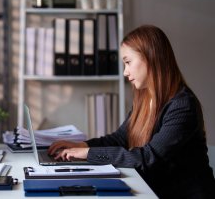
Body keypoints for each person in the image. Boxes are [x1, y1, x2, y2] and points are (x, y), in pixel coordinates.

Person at [48, 25, 215, 198]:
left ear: (151, 57)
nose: (125, 72)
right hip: (154, 191)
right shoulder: (145, 99)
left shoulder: (182, 106)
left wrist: (88, 154)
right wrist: (83, 145)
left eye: (128, 62)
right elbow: (120, 138)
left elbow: (148, 158)